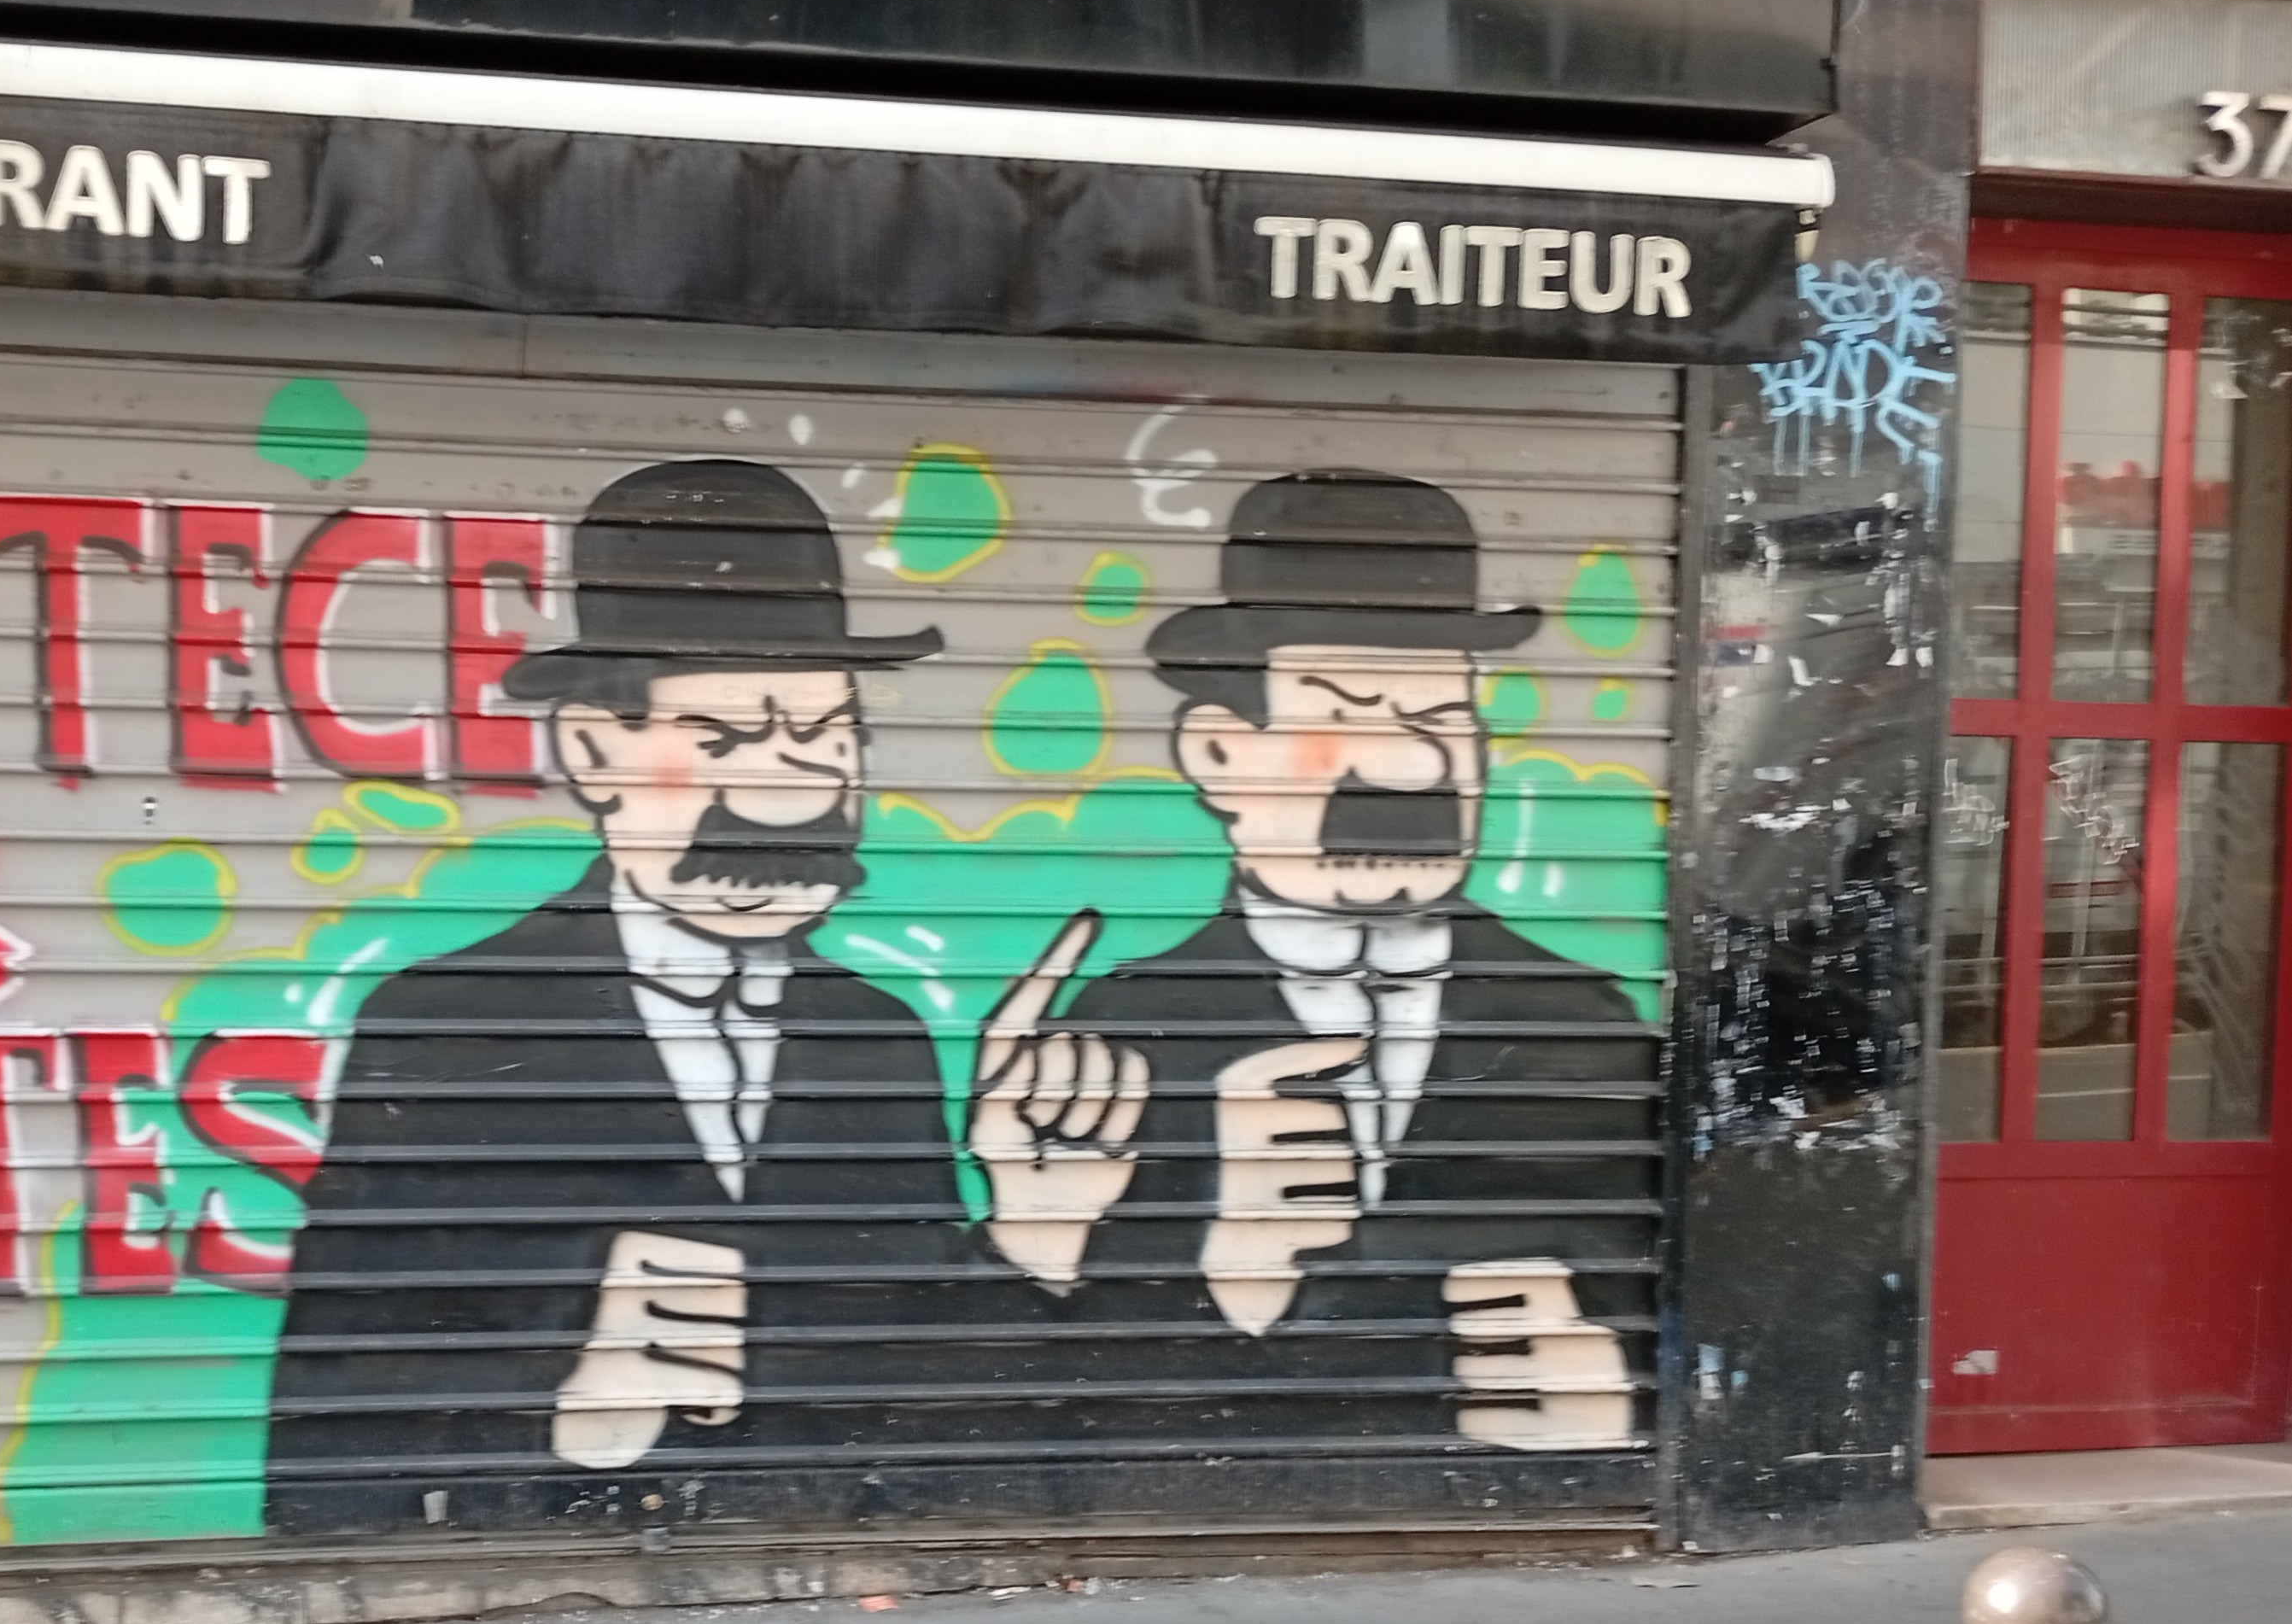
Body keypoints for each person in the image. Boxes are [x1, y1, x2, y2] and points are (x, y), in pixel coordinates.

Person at [264, 459, 1076, 1534]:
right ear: (592, 750)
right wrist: (562, 1404)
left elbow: (927, 1403)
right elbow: (330, 1444)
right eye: (724, 739)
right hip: (557, 1590)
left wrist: (1026, 1236)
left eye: (825, 737)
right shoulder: (445, 1026)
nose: (790, 791)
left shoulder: (876, 1037)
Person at [971, 469, 1658, 1456]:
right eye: (1345, 716)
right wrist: (1150, 1271)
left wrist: (1609, 1397)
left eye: (1441, 719)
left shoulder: (1583, 1024)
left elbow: (1643, 1281)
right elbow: (1052, 1404)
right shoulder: (1117, 1039)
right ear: (1217, 754)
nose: (1414, 765)